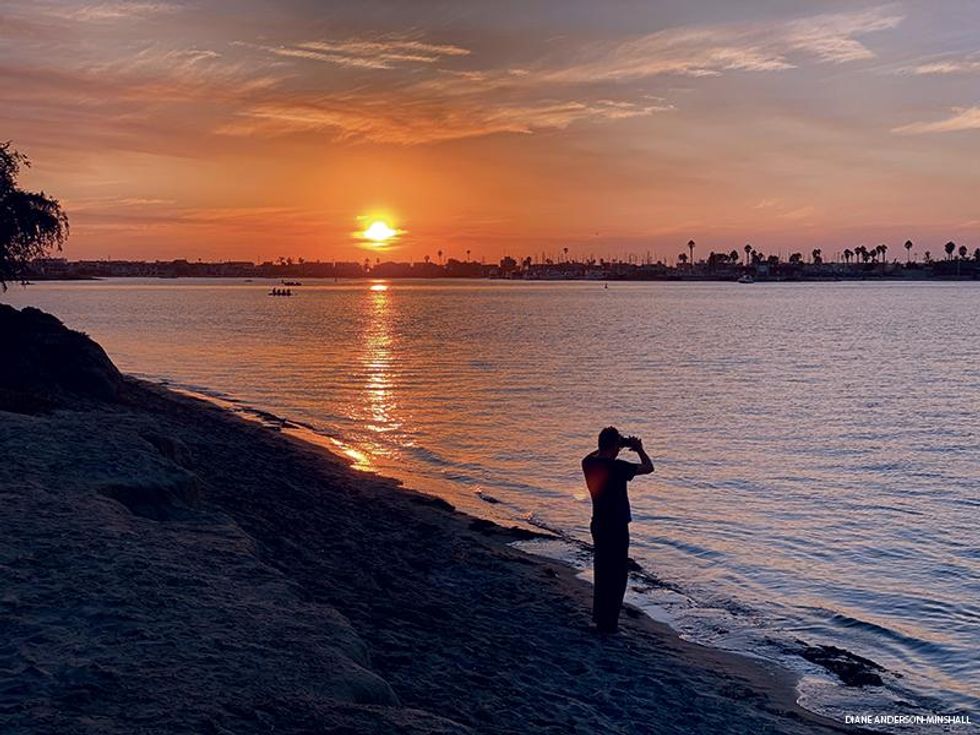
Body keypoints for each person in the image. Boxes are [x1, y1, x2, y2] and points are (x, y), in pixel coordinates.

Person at [582, 426, 654, 633]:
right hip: (616, 525)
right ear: (614, 446)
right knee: (617, 574)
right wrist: (638, 448)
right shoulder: (618, 467)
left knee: (602, 570)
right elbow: (648, 467)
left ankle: (600, 617)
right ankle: (609, 623)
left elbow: (594, 453)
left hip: (598, 523)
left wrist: (616, 445)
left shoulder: (588, 463)